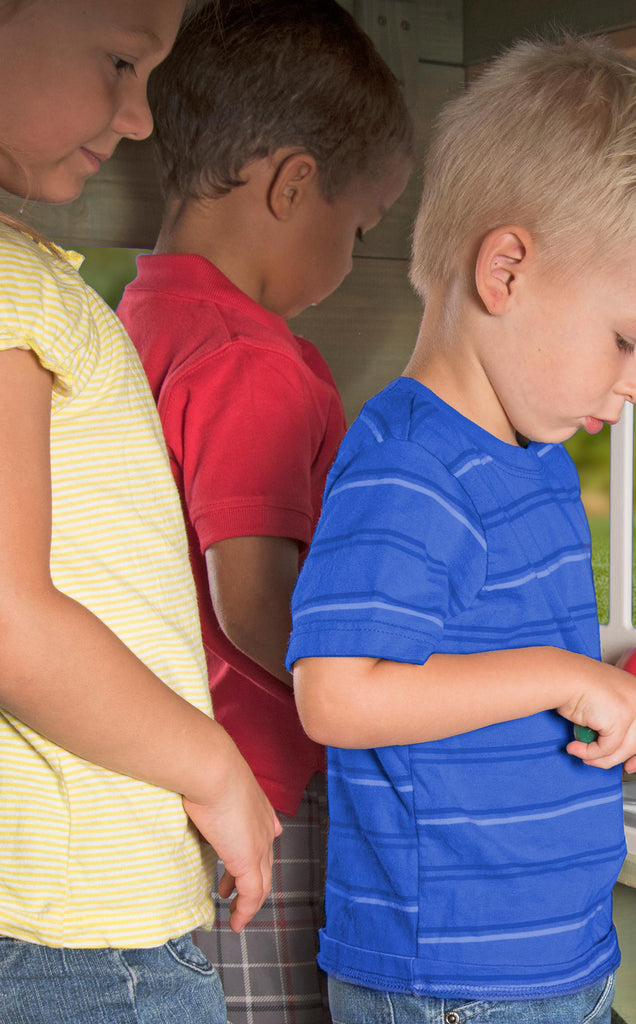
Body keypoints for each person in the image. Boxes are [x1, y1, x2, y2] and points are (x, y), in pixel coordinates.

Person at [285, 34, 636, 1024]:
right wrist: (569, 673)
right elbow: (336, 693)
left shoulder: (534, 464)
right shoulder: (409, 467)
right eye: (628, 339)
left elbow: (507, 679)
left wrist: (634, 701)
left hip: (555, 963)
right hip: (451, 987)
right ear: (505, 268)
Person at [115, 2, 413, 1021]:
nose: (350, 260)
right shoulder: (248, 359)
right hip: (266, 789)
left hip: (167, 789)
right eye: (360, 226)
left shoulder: (138, 317)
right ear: (293, 185)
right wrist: (395, 694)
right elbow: (254, 605)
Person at [0, 2, 280, 1023]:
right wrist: (218, 769)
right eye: (120, 60)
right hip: (79, 944)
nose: (139, 116)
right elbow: (8, 622)